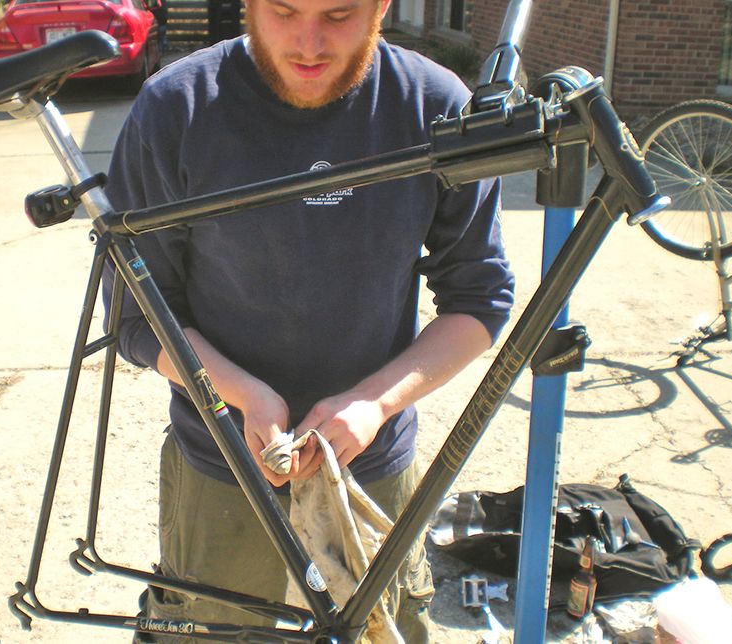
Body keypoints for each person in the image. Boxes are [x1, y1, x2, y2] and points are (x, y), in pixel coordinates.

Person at [101, 0, 515, 638]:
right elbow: (137, 316)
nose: (309, 43)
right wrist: (241, 397)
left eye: (339, 14)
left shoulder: (436, 107)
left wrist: (373, 404)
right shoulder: (176, 108)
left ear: (381, 6)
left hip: (372, 471)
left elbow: (479, 300)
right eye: (284, 11)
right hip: (221, 471)